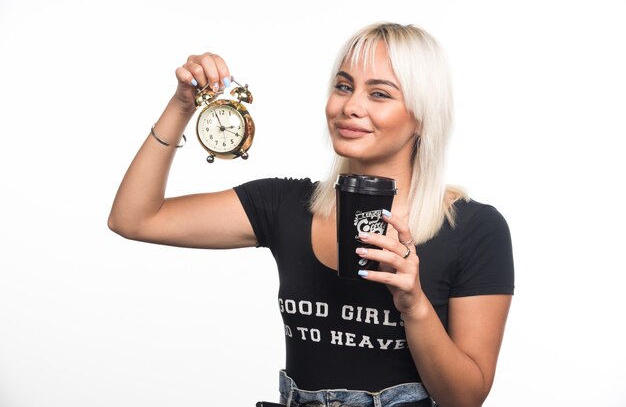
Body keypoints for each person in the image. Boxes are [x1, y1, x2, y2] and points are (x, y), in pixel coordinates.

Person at [108, 22, 514, 407]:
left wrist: (414, 304)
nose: (350, 106)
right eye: (343, 86)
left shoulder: (475, 229)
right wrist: (182, 104)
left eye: (380, 94)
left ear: (423, 116)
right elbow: (134, 218)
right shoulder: (284, 204)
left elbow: (466, 398)